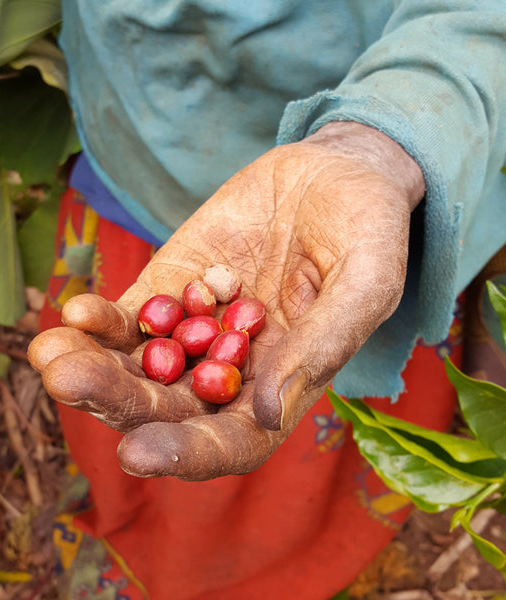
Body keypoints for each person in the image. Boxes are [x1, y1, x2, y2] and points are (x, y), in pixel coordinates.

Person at [28, 2, 506, 598]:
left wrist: (374, 147)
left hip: (369, 177)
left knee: (303, 413)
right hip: (137, 158)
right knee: (127, 416)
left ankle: (309, 567)